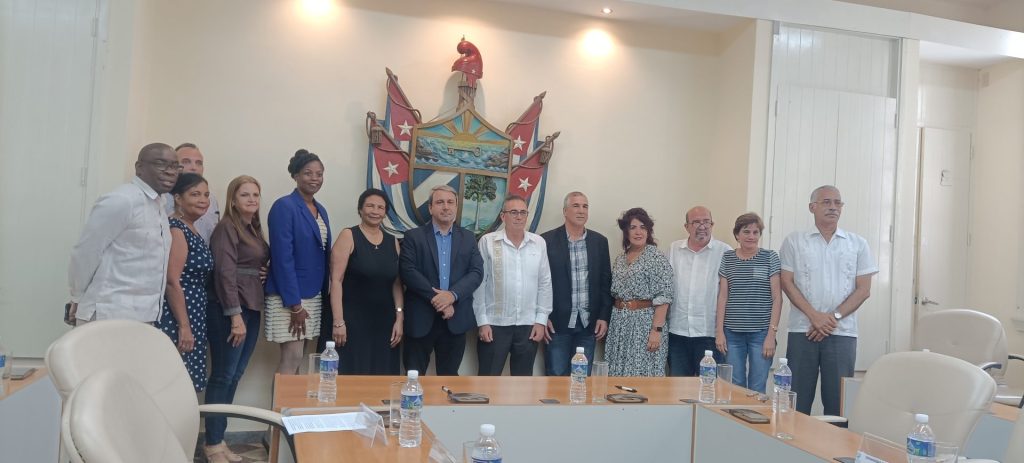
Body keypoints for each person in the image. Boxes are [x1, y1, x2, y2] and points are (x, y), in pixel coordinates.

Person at [780, 185, 878, 415]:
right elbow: (786, 282)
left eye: (837, 202)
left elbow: (863, 290)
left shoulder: (857, 243)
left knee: (838, 404)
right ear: (812, 207)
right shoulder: (794, 241)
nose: (833, 207)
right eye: (826, 202)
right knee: (796, 401)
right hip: (803, 330)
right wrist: (814, 317)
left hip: (842, 332)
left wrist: (832, 318)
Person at [67, 142, 180, 325]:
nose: (170, 171)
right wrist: (77, 296)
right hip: (109, 312)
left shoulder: (159, 204)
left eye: (175, 166)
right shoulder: (122, 200)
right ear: (139, 167)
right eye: (161, 164)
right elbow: (86, 252)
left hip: (144, 314)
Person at [204, 175, 270, 463]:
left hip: (252, 306)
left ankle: (220, 441)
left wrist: (264, 272)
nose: (252, 199)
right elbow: (224, 273)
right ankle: (212, 444)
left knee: (234, 375)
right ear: (233, 199)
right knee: (222, 375)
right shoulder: (227, 228)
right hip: (230, 309)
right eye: (245, 194)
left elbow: (255, 263)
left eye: (255, 194)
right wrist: (234, 316)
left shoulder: (252, 228)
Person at [399, 184, 483, 375]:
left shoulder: (468, 238)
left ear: (456, 207)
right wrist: (440, 300)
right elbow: (408, 271)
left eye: (450, 202)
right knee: (414, 377)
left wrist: (452, 296)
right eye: (440, 202)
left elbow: (476, 272)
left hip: (455, 318)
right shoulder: (413, 236)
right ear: (430, 208)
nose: (446, 207)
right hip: (420, 317)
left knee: (449, 378)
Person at [265, 149, 331, 374]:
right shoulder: (284, 206)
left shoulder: (320, 210)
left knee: (299, 359)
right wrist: (295, 305)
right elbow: (282, 258)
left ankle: (292, 400)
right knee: (291, 358)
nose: (315, 178)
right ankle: (279, 401)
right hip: (291, 297)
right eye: (308, 173)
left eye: (319, 174)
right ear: (295, 175)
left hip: (313, 294)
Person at [473, 195, 553, 376]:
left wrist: (541, 320)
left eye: (523, 212)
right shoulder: (487, 242)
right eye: (514, 212)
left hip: (528, 325)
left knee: (522, 383)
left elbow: (545, 283)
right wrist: (482, 322)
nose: (519, 217)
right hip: (494, 324)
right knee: (488, 380)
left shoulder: (538, 243)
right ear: (503, 216)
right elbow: (480, 284)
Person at [327, 188, 403, 375]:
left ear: (385, 212)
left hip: (384, 323)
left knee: (381, 376)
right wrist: (338, 322)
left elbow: (396, 284)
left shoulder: (393, 241)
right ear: (360, 209)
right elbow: (335, 281)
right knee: (351, 374)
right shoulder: (348, 235)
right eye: (370, 206)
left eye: (380, 207)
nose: (375, 211)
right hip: (351, 321)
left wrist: (399, 318)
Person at [541, 191, 612, 376]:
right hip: (556, 323)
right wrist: (542, 317)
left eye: (585, 206)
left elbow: (605, 283)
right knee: (556, 376)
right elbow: (539, 282)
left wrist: (603, 316)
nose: (581, 210)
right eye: (576, 206)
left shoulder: (599, 242)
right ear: (565, 211)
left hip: (588, 324)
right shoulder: (546, 241)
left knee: (581, 379)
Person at [157, 173, 213, 392]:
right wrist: (184, 326)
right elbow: (172, 281)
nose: (203, 200)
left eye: (206, 195)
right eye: (195, 194)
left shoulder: (191, 227)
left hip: (193, 310)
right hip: (178, 313)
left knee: (186, 382)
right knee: (174, 383)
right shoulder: (177, 229)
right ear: (178, 198)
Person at [714, 213, 781, 394]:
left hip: (761, 334)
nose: (751, 236)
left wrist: (771, 334)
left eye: (755, 232)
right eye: (746, 232)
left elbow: (777, 298)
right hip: (732, 334)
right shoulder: (728, 258)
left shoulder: (770, 257)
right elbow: (722, 297)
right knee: (735, 386)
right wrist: (719, 332)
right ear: (737, 234)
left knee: (757, 386)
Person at [606, 208, 674, 377]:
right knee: (618, 373)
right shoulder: (620, 258)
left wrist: (656, 331)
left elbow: (664, 296)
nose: (638, 232)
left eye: (643, 227)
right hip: (620, 324)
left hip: (644, 325)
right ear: (626, 232)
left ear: (648, 231)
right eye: (633, 227)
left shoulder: (656, 257)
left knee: (642, 373)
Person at [667, 206, 730, 376]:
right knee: (678, 387)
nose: (702, 226)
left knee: (709, 387)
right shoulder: (674, 249)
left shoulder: (725, 251)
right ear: (686, 226)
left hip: (710, 334)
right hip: (677, 332)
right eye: (696, 222)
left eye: (706, 222)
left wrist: (721, 332)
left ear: (712, 224)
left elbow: (729, 294)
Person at [162, 143, 220, 242]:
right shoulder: (161, 199)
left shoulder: (211, 199)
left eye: (199, 163)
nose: (194, 167)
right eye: (186, 162)